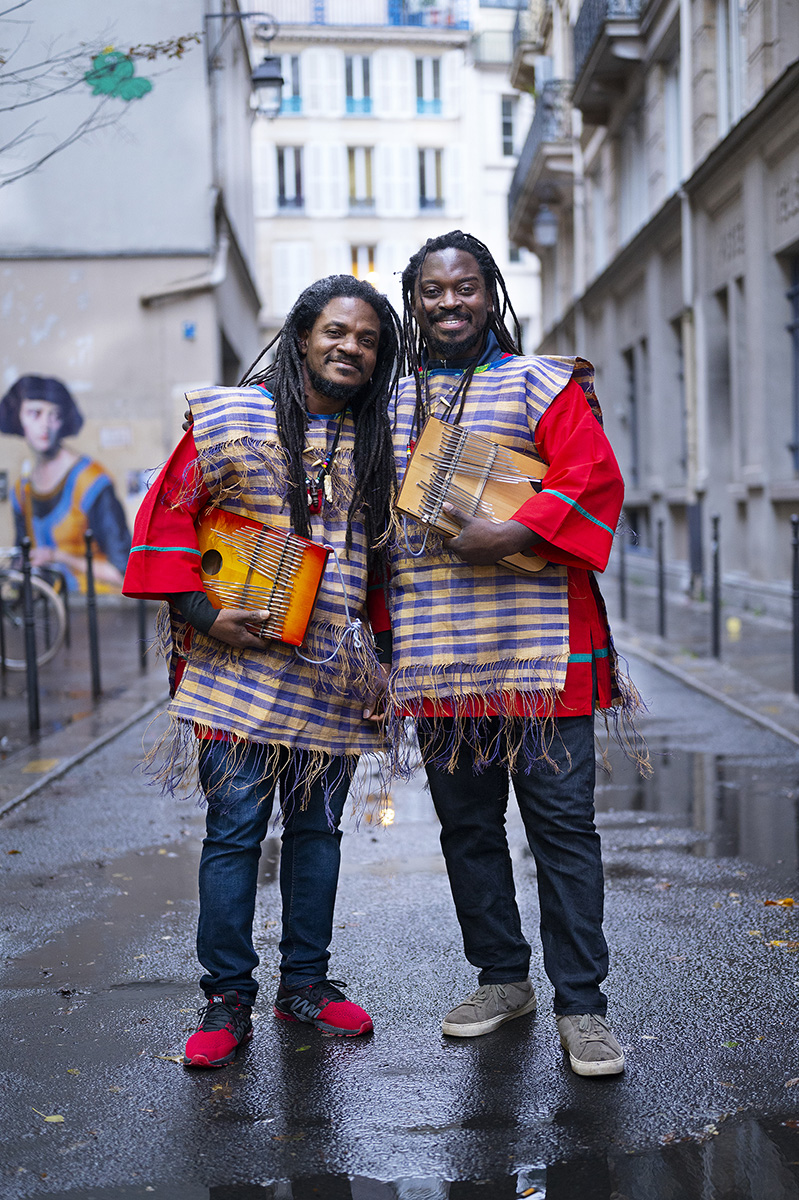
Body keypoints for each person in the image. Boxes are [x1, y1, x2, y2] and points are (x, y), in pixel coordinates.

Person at [123, 276, 401, 1067]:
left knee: (317, 833)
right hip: (233, 665)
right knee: (234, 833)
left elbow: (384, 565)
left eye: (368, 339)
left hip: (333, 674)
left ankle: (304, 985)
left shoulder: (376, 439)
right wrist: (205, 615)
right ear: (302, 335)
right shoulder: (229, 419)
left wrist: (387, 670)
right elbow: (167, 519)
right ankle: (226, 998)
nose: (351, 347)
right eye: (336, 331)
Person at [385, 231, 646, 1076]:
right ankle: (502, 979)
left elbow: (591, 475)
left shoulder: (541, 381)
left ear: (489, 291)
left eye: (464, 286)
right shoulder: (388, 401)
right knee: (467, 829)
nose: (449, 302)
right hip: (439, 657)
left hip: (543, 656)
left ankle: (583, 1006)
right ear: (413, 302)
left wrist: (514, 531)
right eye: (431, 291)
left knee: (562, 830)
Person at [0, 375, 131, 592]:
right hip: (48, 607)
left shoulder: (92, 483)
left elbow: (124, 572)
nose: (45, 425)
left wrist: (57, 556)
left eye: (55, 415)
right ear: (18, 417)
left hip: (97, 605)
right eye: (35, 413)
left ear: (64, 421)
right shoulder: (21, 490)